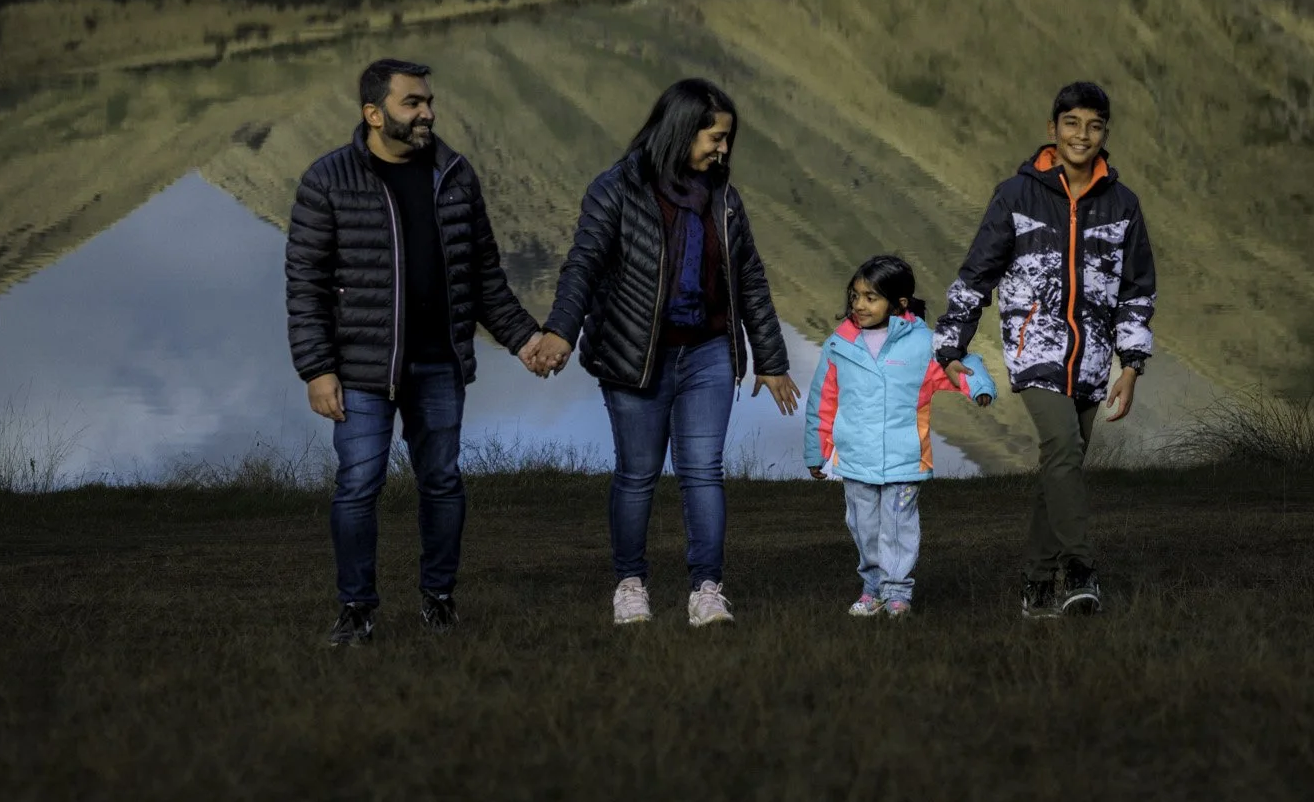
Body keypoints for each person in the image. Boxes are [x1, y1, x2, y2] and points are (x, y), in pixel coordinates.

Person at [285, 57, 551, 646]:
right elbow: (305, 283)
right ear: (374, 114)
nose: (427, 112)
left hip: (439, 365)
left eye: (428, 100)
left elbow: (483, 278)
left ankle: (439, 598)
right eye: (412, 103)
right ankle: (356, 607)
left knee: (442, 482)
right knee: (358, 484)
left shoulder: (455, 174)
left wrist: (525, 339)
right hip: (359, 369)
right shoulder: (327, 180)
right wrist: (317, 367)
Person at [532, 77, 800, 628]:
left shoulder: (724, 201)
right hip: (634, 357)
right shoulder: (616, 188)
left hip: (707, 354)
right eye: (715, 137)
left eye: (728, 139)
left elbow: (749, 279)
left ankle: (707, 588)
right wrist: (560, 331)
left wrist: (771, 360)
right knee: (637, 474)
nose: (723, 149)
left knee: (704, 471)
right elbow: (582, 265)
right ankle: (630, 585)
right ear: (681, 129)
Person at [932, 82, 1156, 619]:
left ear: (1105, 134)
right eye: (1072, 123)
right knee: (1061, 447)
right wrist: (950, 345)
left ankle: (1035, 586)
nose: (1083, 135)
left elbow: (1136, 290)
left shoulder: (1123, 205)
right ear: (1052, 130)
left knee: (1062, 463)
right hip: (1036, 348)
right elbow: (978, 272)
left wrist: (1132, 367)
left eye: (1094, 125)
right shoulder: (1016, 195)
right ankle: (1081, 570)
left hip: (1096, 355)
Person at [802, 253, 996, 617]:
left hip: (905, 459)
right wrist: (817, 450)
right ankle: (872, 587)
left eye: (870, 297)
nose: (859, 305)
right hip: (855, 459)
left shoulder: (924, 345)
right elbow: (822, 400)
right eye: (855, 296)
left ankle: (897, 592)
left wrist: (978, 387)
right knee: (864, 527)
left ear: (899, 303)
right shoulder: (839, 344)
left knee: (897, 527)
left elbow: (962, 363)